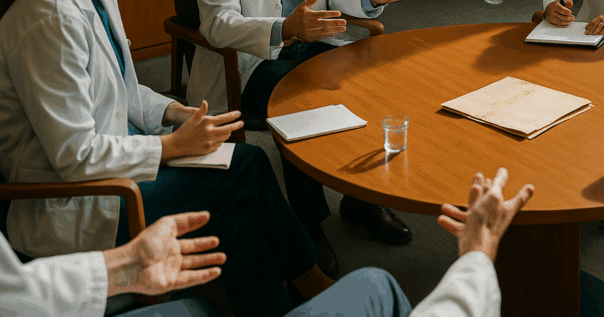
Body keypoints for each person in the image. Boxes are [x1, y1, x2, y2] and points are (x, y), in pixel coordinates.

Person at [0, 0, 335, 317]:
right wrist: (172, 147)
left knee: (237, 219)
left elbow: (126, 92)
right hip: (82, 202)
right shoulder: (48, 18)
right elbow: (73, 156)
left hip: (115, 168)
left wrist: (180, 114)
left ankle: (283, 302)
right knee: (247, 165)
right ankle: (312, 284)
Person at [192, 0, 423, 254]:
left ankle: (362, 201)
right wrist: (286, 28)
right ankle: (308, 221)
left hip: (316, 46)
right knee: (302, 102)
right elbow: (217, 24)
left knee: (373, 84)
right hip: (257, 61)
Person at [2, 168, 534, 317]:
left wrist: (122, 267)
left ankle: (291, 295)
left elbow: (16, 296)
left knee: (234, 224)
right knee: (376, 283)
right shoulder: (48, 15)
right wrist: (477, 256)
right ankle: (311, 275)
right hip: (83, 193)